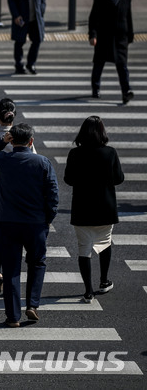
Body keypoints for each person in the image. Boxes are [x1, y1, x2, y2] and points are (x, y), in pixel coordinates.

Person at [0, 123, 59, 327]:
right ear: (31, 141)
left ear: (12, 140)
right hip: (35, 223)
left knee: (11, 270)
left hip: (8, 222)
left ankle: (13, 317)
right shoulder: (42, 162)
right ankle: (32, 305)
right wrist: (48, 218)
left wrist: (2, 141)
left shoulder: (4, 160)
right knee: (37, 263)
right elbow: (53, 195)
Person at [64, 116, 124, 303]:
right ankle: (104, 281)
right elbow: (119, 178)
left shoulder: (75, 154)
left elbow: (68, 179)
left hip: (82, 208)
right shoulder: (110, 153)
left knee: (84, 249)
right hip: (105, 207)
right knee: (105, 243)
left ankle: (88, 290)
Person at [0, 99, 35, 295]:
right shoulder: (25, 137)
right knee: (17, 235)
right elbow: (33, 161)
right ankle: (13, 274)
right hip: (19, 196)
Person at [89, 0, 134, 104]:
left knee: (122, 67)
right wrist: (93, 35)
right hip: (104, 37)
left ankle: (126, 91)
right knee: (99, 64)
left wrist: (130, 36)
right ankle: (95, 88)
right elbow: (93, 19)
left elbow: (128, 18)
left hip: (121, 38)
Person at [8, 0, 46, 75]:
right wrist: (16, 15)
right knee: (19, 42)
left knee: (37, 41)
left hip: (35, 19)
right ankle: (19, 65)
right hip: (22, 18)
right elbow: (11, 0)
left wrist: (41, 10)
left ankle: (31, 63)